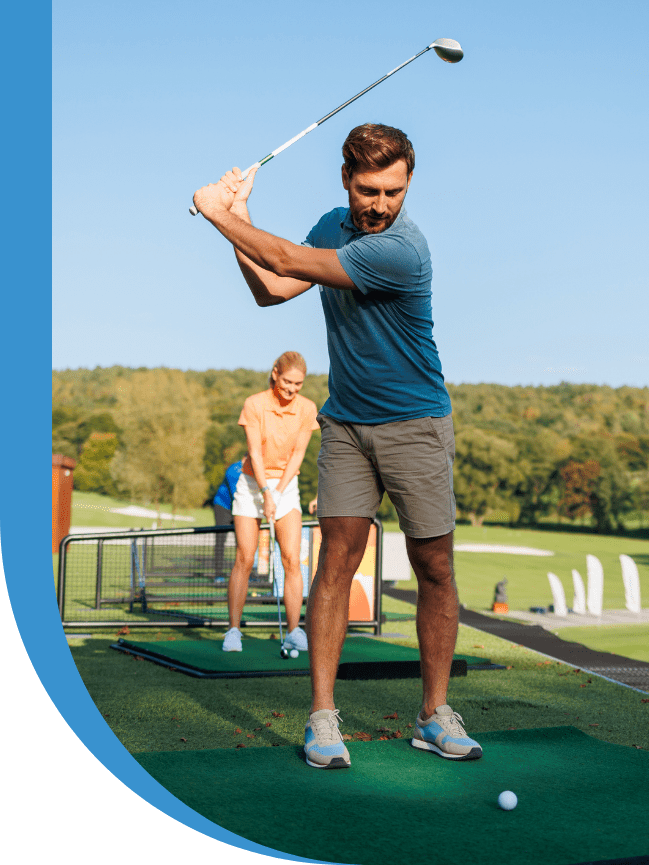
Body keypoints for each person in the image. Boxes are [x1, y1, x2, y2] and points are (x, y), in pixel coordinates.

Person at [193, 123, 482, 768]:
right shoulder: (335, 224)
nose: (381, 204)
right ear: (346, 181)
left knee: (436, 566)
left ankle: (434, 714)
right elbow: (273, 288)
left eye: (395, 191)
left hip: (416, 424)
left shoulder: (402, 250)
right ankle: (323, 719)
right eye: (369, 190)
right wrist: (238, 218)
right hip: (347, 426)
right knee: (334, 565)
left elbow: (291, 261)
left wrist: (220, 215)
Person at [221, 351, 319, 655]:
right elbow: (256, 452)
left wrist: (277, 492)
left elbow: (298, 455)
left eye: (298, 384)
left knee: (291, 558)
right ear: (275, 373)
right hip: (253, 483)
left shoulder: (306, 408)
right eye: (288, 382)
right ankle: (233, 631)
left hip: (287, 486)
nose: (292, 389)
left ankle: (293, 631)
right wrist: (265, 492)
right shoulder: (255, 404)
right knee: (245, 557)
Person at [211, 458, 245, 583]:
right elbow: (236, 494)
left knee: (243, 543)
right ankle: (218, 575)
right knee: (221, 540)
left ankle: (244, 574)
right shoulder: (234, 470)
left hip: (239, 507)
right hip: (223, 507)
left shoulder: (253, 470)